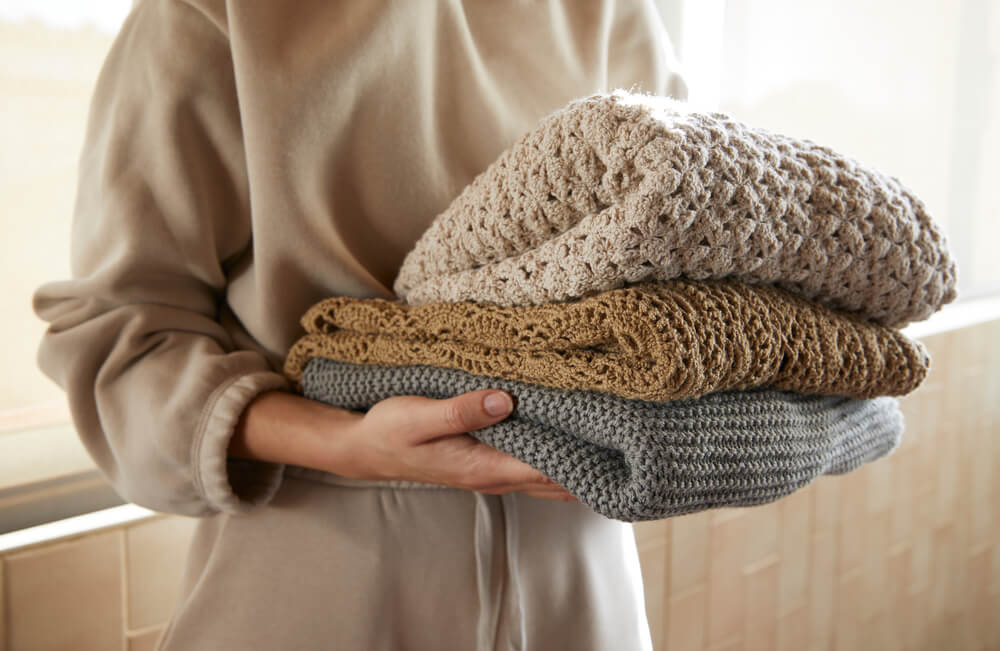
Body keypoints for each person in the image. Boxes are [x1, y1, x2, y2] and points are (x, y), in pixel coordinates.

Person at [32, 1, 687, 648]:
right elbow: (123, 336)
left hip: (583, 579)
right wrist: (347, 444)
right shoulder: (217, 14)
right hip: (329, 576)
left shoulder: (608, 12)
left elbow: (696, 256)